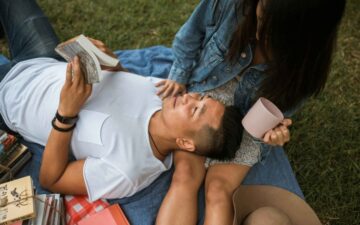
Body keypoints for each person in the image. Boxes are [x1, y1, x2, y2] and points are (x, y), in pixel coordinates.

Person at [0, 0, 244, 202]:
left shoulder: (128, 170)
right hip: (44, 59)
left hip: (8, 100)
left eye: (196, 111)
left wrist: (66, 114)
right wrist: (110, 60)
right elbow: (124, 80)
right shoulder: (162, 96)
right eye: (200, 98)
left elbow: (51, 180)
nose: (190, 97)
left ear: (185, 143)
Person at [155, 0, 346, 224]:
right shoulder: (231, 4)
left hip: (251, 124)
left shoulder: (305, 65)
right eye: (261, 15)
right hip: (207, 98)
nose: (258, 30)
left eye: (272, 28)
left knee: (218, 190)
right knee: (185, 176)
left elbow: (278, 113)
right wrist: (180, 72)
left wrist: (273, 132)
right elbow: (191, 33)